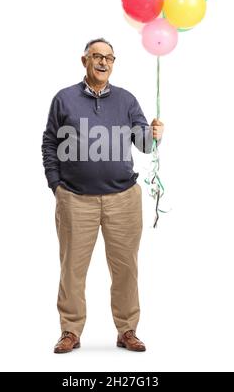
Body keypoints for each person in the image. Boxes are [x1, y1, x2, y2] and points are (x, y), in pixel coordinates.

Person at [41, 38, 164, 353]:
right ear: (84, 60)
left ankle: (127, 331)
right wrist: (56, 185)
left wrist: (154, 136)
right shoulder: (64, 99)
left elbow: (144, 145)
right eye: (97, 56)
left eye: (110, 57)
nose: (103, 62)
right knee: (72, 268)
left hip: (122, 199)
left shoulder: (125, 100)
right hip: (74, 199)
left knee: (126, 268)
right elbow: (49, 144)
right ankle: (70, 331)